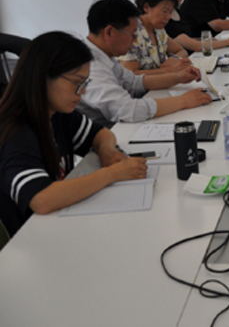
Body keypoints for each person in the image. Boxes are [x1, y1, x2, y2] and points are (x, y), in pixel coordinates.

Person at [0, 31, 149, 237]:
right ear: (43, 76)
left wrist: (106, 150)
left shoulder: (57, 114)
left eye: (85, 83)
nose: (82, 91)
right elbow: (41, 199)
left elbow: (100, 133)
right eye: (77, 82)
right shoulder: (16, 130)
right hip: (31, 238)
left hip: (60, 223)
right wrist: (113, 174)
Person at [78, 0, 212, 127]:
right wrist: (183, 101)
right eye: (132, 35)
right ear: (109, 32)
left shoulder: (105, 56)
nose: (135, 40)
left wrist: (178, 77)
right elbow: (127, 110)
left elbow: (135, 82)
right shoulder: (90, 67)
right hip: (108, 133)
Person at [119, 0, 192, 75]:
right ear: (146, 7)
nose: (168, 17)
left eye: (170, 12)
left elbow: (181, 51)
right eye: (165, 11)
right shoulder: (132, 32)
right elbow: (131, 74)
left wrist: (174, 59)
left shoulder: (158, 30)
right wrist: (167, 70)